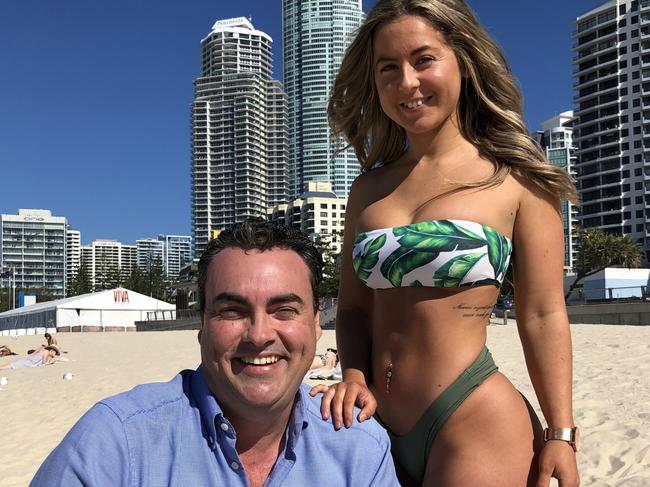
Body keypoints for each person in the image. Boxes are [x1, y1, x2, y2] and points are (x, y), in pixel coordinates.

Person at [310, 1, 580, 486]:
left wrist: (561, 431)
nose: (406, 83)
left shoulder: (517, 179)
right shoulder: (367, 190)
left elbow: (542, 313)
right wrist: (352, 375)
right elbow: (352, 309)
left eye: (423, 59)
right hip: (370, 422)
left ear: (463, 60)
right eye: (387, 68)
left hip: (472, 415)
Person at [31, 219, 399, 487]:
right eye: (232, 311)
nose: (259, 335)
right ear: (202, 323)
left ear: (317, 322)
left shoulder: (358, 449)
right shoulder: (116, 444)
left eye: (284, 310)